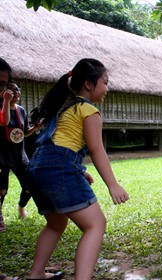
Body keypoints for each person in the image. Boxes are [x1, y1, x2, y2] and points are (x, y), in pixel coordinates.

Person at [26, 58, 129, 279]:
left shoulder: (63, 107)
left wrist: (80, 170)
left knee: (55, 223)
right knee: (96, 224)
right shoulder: (88, 110)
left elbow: (58, 143)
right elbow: (96, 149)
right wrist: (113, 184)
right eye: (105, 82)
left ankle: (36, 274)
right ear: (89, 84)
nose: (107, 89)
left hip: (37, 168)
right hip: (58, 169)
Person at [0, 82, 41, 227]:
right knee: (2, 189)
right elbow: (4, 121)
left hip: (19, 154)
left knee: (30, 185)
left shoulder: (21, 110)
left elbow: (23, 133)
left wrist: (35, 128)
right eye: (12, 89)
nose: (16, 92)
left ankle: (21, 206)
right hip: (2, 155)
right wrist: (5, 101)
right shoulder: (1, 108)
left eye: (18, 89)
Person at [0, 58, 23, 232]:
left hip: (10, 151)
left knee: (3, 187)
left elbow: (4, 121)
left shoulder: (16, 109)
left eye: (3, 84)